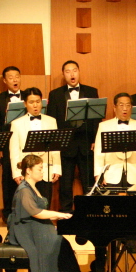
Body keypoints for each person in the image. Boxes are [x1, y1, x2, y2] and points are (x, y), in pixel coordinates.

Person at [7, 154, 95, 272]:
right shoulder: (24, 190)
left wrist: (62, 216)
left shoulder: (32, 187)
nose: (43, 172)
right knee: (58, 244)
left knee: (63, 244)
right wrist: (59, 215)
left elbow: (40, 213)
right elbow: (35, 212)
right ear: (28, 171)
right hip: (28, 231)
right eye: (39, 169)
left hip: (36, 227)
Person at [47, 60, 99, 213]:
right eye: (68, 71)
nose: (72, 74)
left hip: (86, 143)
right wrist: (56, 144)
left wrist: (95, 140)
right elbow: (52, 120)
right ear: (64, 74)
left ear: (79, 72)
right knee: (65, 184)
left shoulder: (91, 92)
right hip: (65, 145)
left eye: (74, 70)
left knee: (89, 182)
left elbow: (96, 119)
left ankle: (90, 213)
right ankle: (66, 214)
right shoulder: (55, 94)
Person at [9, 87, 61, 204]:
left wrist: (57, 168)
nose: (35, 105)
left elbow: (55, 148)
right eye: (31, 102)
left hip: (46, 170)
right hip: (27, 172)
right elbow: (14, 151)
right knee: (29, 205)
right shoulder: (16, 124)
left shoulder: (51, 121)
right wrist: (16, 173)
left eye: (38, 101)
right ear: (25, 104)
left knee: (45, 203)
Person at [94, 93, 136, 189]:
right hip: (111, 175)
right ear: (114, 108)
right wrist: (98, 174)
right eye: (121, 105)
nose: (125, 108)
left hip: (134, 175)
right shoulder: (104, 126)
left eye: (128, 105)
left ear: (131, 107)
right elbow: (98, 153)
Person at [0, 65, 23, 222]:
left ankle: (26, 211)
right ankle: (8, 212)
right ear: (5, 81)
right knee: (8, 178)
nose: (14, 80)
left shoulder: (28, 96)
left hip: (26, 142)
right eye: (11, 77)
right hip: (7, 144)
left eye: (17, 76)